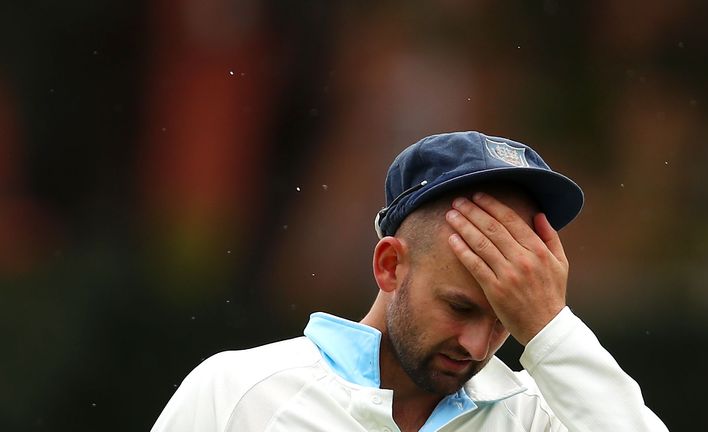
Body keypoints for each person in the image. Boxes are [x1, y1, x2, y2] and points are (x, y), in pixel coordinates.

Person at [151, 131, 668, 431]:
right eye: (460, 307)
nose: (477, 345)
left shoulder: (535, 418)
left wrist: (551, 327)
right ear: (390, 266)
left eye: (508, 318)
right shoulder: (237, 394)